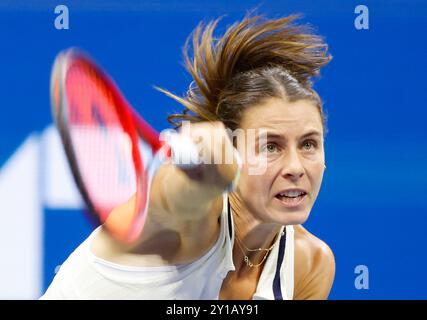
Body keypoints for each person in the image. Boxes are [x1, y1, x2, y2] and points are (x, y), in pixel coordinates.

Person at [41, 13, 335, 300]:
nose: (296, 168)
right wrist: (207, 171)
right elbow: (178, 194)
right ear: (233, 150)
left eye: (309, 144)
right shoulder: (189, 219)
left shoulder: (309, 265)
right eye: (270, 147)